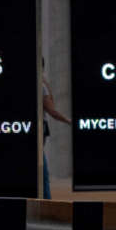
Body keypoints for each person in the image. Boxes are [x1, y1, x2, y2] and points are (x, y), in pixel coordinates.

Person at [42, 60, 70, 198]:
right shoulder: (42, 86)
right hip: (40, 129)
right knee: (42, 168)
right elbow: (52, 111)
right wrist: (68, 121)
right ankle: (47, 198)